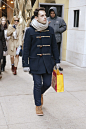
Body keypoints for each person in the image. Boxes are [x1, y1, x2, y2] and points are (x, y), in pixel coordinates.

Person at [22, 7, 60, 116]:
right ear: (36, 17)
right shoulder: (29, 31)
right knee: (37, 84)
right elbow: (26, 49)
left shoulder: (50, 30)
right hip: (35, 62)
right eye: (42, 15)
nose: (45, 17)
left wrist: (57, 61)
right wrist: (25, 64)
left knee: (48, 83)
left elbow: (54, 48)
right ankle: (38, 106)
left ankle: (40, 94)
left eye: (45, 15)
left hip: (48, 62)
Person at [47, 7, 67, 71]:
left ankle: (57, 65)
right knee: (49, 52)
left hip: (57, 39)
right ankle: (50, 65)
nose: (52, 14)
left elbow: (64, 26)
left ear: (55, 13)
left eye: (53, 13)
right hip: (49, 39)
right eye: (51, 13)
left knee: (56, 53)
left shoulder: (60, 19)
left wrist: (58, 30)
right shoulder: (47, 19)